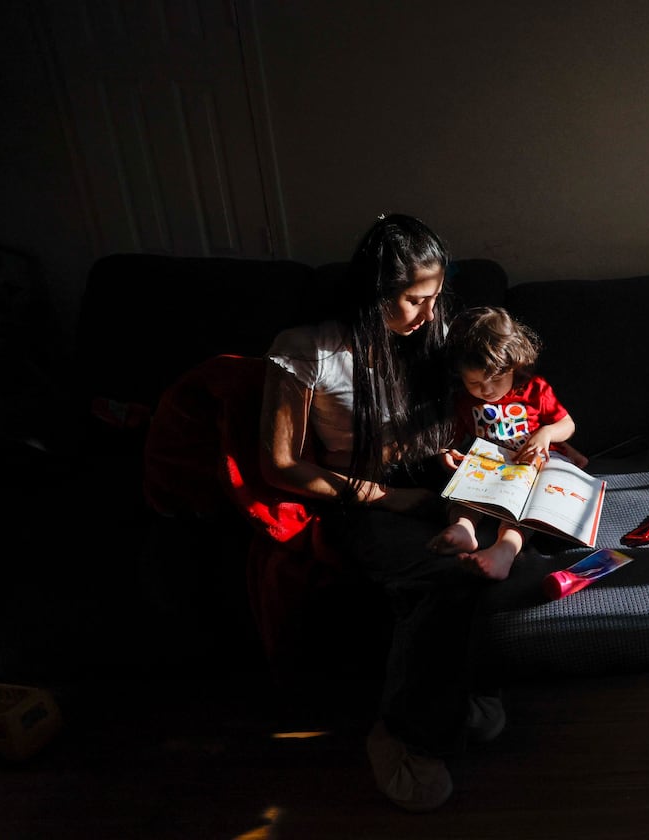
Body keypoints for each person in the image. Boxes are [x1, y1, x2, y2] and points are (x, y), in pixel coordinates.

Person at [258, 213, 502, 813]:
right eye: (416, 301)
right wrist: (385, 497)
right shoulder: (306, 350)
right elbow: (279, 465)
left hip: (436, 476)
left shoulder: (431, 342)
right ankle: (405, 734)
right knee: (446, 578)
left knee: (490, 554)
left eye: (436, 298)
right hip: (359, 493)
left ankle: (443, 698)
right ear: (376, 294)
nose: (428, 315)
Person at [428, 306, 589, 580]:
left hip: (532, 468)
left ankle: (505, 550)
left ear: (515, 366)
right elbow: (450, 439)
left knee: (525, 512)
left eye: (496, 379)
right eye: (475, 382)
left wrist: (546, 434)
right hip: (489, 468)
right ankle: (464, 528)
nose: (487, 390)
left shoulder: (535, 389)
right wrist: (446, 453)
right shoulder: (463, 401)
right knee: (464, 494)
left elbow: (568, 424)